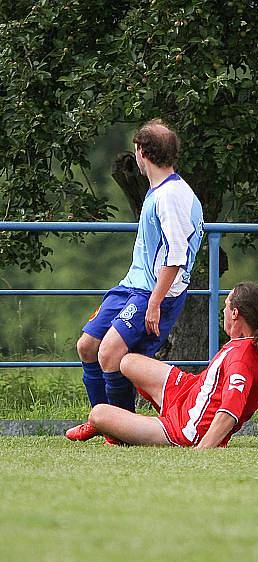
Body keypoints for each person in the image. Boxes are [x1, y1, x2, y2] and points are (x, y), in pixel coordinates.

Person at [66, 118, 204, 442]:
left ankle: (122, 431)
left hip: (154, 292)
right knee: (87, 346)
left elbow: (176, 256)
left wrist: (155, 303)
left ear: (141, 152)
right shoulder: (162, 190)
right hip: (133, 285)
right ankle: (103, 420)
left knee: (110, 353)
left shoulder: (171, 196)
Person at [66, 282, 258, 448]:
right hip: (188, 391)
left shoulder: (241, 358)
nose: (223, 311)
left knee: (98, 413)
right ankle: (124, 426)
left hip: (184, 428)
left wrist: (202, 451)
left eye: (226, 306)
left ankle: (116, 430)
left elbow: (229, 413)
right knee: (127, 361)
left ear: (235, 314)